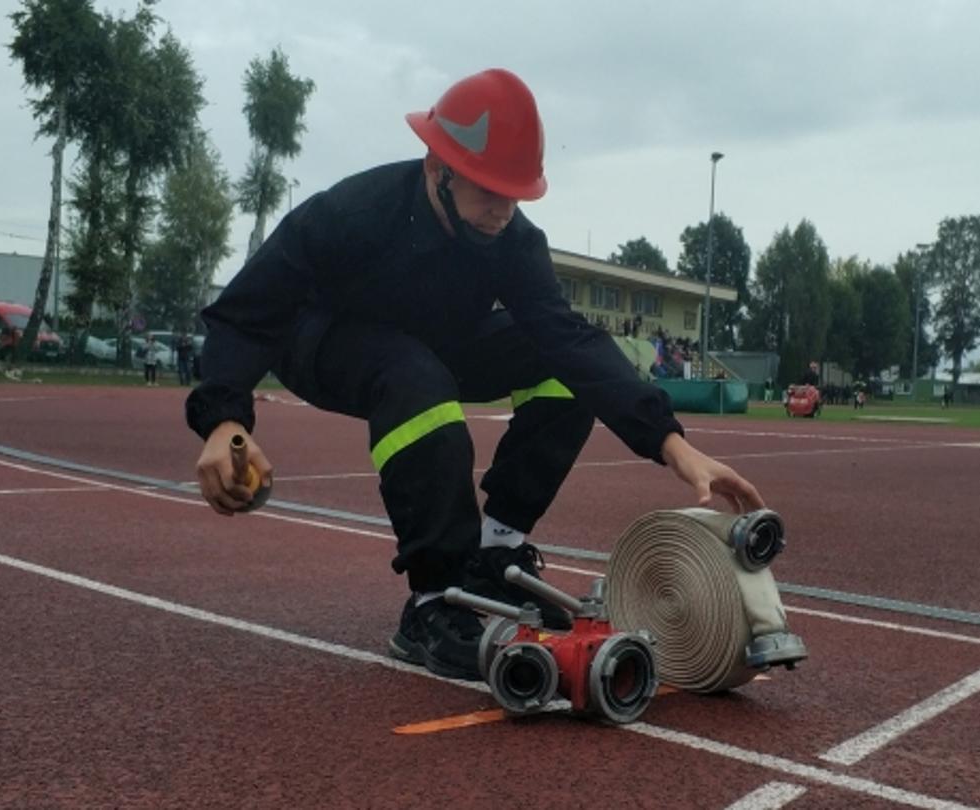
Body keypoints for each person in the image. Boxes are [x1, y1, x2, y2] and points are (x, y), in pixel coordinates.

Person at [185, 68, 765, 682]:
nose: (501, 210)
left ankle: (495, 555)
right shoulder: (351, 213)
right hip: (321, 342)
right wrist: (224, 422)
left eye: (515, 194)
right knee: (415, 377)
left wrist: (674, 446)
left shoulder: (513, 241)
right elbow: (245, 315)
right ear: (439, 169)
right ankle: (436, 600)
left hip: (436, 344)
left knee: (560, 364)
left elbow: (567, 338)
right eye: (488, 190)